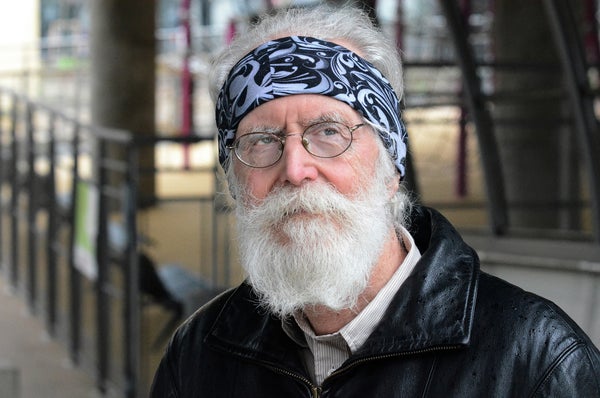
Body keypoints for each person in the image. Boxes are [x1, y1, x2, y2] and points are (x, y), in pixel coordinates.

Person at [151, 4, 600, 397]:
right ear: (233, 179)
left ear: (392, 165)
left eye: (329, 132)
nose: (294, 169)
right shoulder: (200, 351)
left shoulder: (538, 358)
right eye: (262, 141)